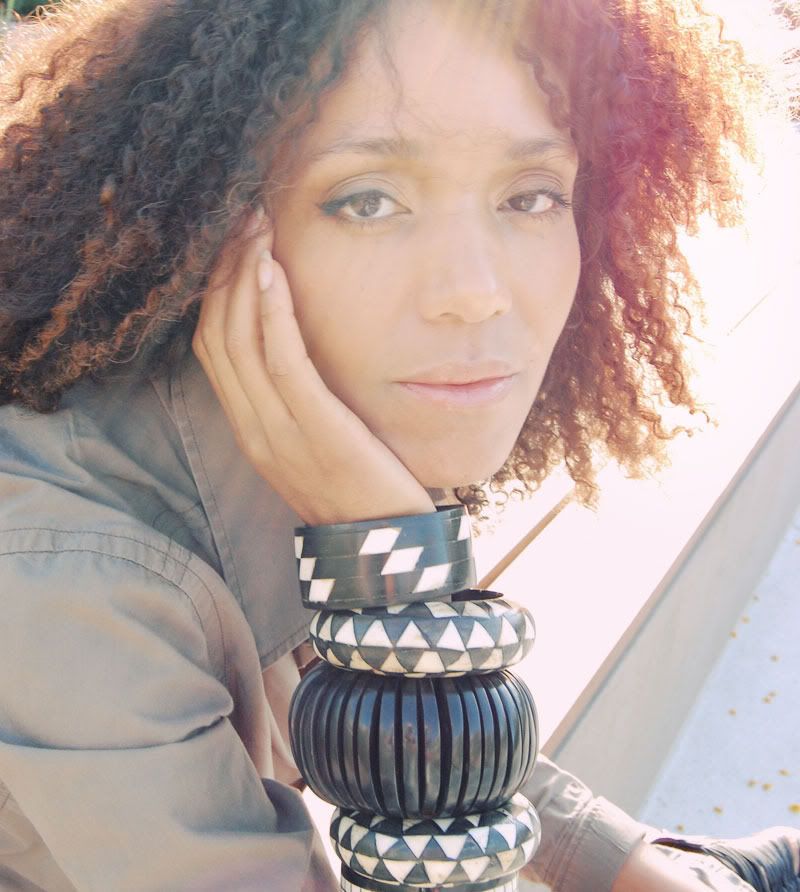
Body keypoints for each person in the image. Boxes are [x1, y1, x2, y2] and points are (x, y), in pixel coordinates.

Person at [0, 1, 797, 890]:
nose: (474, 292)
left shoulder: (275, 418)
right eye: (368, 200)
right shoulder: (76, 582)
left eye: (530, 195)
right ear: (214, 231)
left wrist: (631, 867)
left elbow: (375, 709)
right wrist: (387, 547)